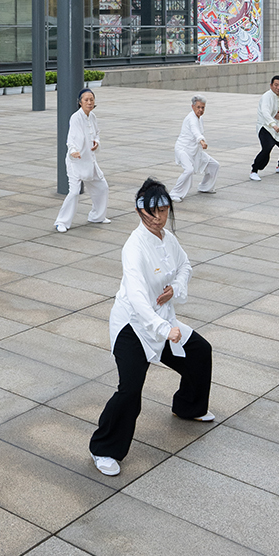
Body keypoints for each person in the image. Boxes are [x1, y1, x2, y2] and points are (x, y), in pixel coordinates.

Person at [89, 178, 216, 474]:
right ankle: (103, 449)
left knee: (200, 351)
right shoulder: (133, 248)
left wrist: (175, 288)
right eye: (151, 212)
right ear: (139, 212)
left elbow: (185, 266)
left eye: (163, 210)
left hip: (162, 320)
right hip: (132, 327)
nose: (158, 218)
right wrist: (162, 329)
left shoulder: (167, 238)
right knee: (130, 390)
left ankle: (188, 407)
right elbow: (136, 297)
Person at [56, 86, 108, 231]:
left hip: (89, 160)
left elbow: (97, 133)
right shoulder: (75, 118)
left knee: (102, 187)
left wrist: (96, 142)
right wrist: (73, 151)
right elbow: (70, 139)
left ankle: (97, 216)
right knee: (74, 192)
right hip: (76, 161)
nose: (89, 102)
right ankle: (62, 222)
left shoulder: (93, 117)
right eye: (86, 100)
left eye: (92, 99)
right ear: (80, 102)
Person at [171, 94, 218, 201]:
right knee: (188, 170)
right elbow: (195, 131)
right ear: (193, 107)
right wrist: (201, 141)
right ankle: (174, 193)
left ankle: (205, 187)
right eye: (198, 107)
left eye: (203, 107)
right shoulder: (191, 118)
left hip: (195, 150)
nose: (200, 110)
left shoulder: (199, 119)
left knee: (214, 165)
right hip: (183, 149)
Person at [250, 76, 279, 180]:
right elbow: (265, 112)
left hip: (276, 128)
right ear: (271, 85)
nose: (278, 88)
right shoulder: (267, 96)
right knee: (267, 147)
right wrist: (273, 124)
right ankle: (254, 170)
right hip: (265, 127)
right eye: (276, 85)